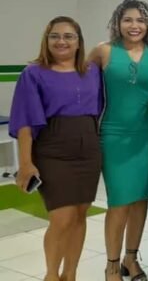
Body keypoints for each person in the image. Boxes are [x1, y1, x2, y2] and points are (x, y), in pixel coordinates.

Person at [9, 16, 102, 281]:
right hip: (52, 148)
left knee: (80, 215)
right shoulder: (33, 73)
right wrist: (26, 164)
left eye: (68, 36)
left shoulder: (92, 71)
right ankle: (51, 275)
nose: (61, 41)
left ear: (78, 42)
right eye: (55, 36)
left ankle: (70, 274)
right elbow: (25, 122)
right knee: (61, 218)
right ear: (46, 40)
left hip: (88, 147)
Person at [89, 0, 148, 281]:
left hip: (146, 135)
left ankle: (131, 259)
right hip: (113, 135)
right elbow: (78, 83)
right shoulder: (103, 51)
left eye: (141, 20)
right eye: (128, 20)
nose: (134, 26)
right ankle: (111, 264)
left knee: (141, 200)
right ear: (117, 23)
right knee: (119, 202)